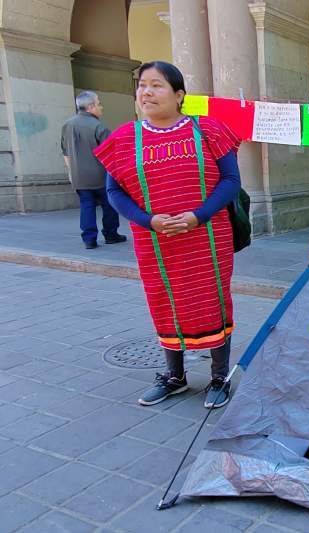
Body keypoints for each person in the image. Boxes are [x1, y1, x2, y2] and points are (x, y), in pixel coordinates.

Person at [94, 61, 242, 409]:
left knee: (213, 300)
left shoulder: (209, 130)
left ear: (179, 95)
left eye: (156, 85)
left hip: (206, 237)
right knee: (165, 302)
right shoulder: (124, 139)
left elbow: (231, 181)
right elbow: (114, 193)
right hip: (155, 241)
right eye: (142, 85)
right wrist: (148, 221)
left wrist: (198, 216)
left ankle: (219, 377)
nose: (146, 92)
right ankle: (174, 377)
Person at [61, 91, 126, 249]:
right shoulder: (98, 126)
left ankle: (89, 239)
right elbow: (112, 153)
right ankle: (111, 234)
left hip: (78, 176)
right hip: (101, 175)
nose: (101, 107)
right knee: (109, 205)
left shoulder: (67, 125)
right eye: (98, 104)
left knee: (86, 206)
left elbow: (65, 152)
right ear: (90, 107)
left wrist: (71, 172)